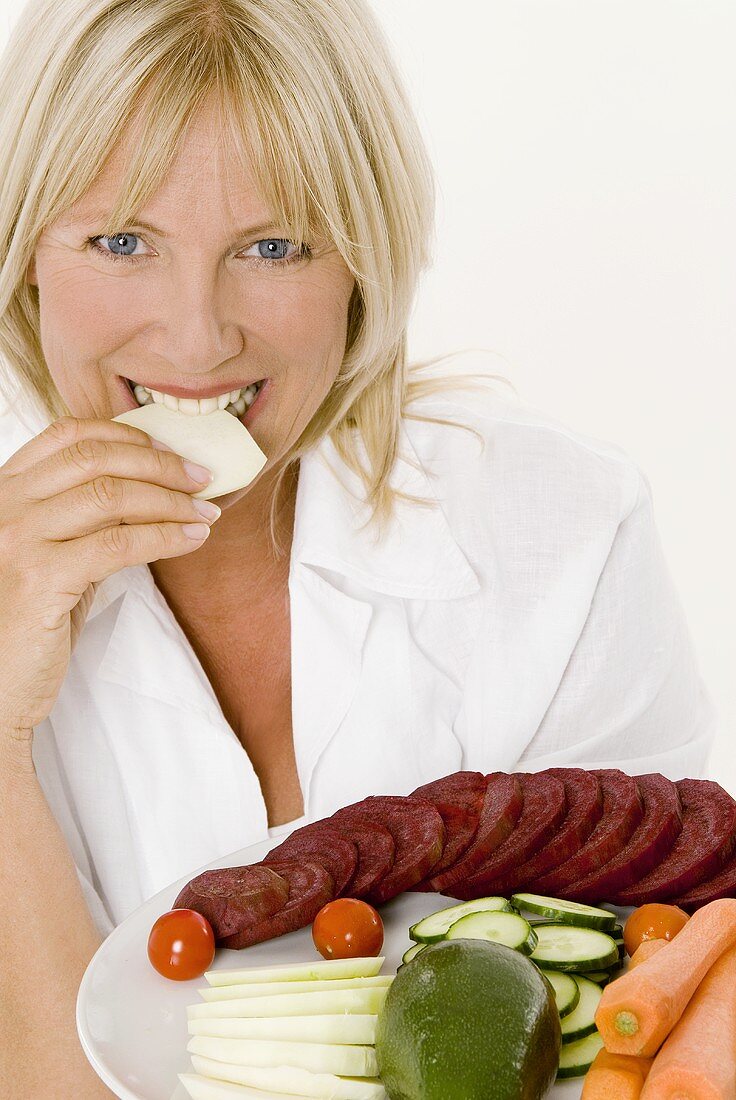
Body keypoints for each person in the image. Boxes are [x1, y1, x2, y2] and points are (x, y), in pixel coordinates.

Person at [0, 0, 716, 1095]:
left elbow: (656, 1011)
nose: (196, 338)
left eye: (273, 245)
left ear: (362, 262)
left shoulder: (562, 537)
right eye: (121, 241)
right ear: (26, 255)